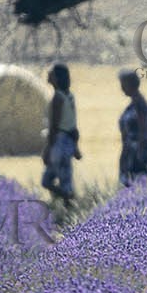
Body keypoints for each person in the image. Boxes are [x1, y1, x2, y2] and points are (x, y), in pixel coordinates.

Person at [41, 63, 81, 203]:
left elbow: (54, 126)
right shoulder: (70, 96)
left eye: (50, 74)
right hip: (68, 140)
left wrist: (47, 149)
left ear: (56, 78)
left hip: (59, 141)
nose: (47, 75)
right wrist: (75, 147)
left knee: (50, 181)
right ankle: (67, 202)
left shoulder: (57, 98)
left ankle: (69, 201)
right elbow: (74, 125)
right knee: (61, 178)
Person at [117, 68, 147, 186]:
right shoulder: (135, 102)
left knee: (136, 185)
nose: (122, 88)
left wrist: (141, 154)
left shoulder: (139, 103)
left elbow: (144, 130)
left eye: (123, 84)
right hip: (131, 152)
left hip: (138, 154)